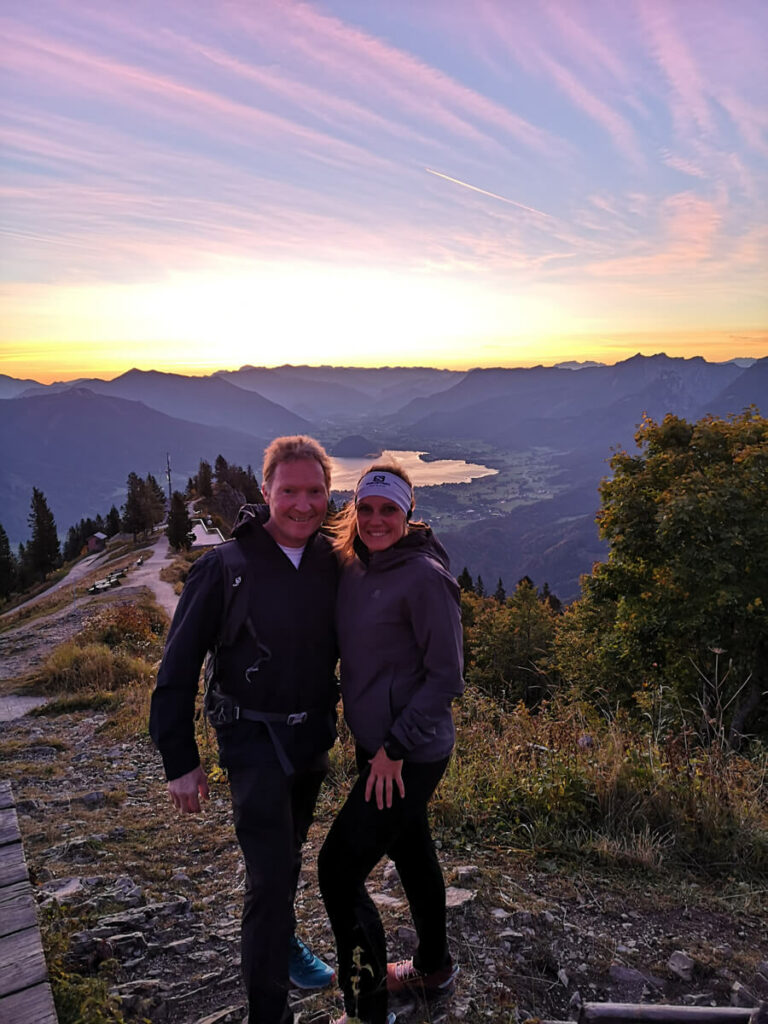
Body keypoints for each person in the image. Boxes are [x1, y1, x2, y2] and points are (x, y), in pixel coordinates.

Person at [149, 435, 339, 1024]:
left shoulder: (334, 560)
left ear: (329, 493)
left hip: (311, 738)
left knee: (287, 857)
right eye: (290, 491)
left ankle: (281, 942)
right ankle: (269, 1012)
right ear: (266, 492)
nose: (303, 504)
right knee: (267, 875)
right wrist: (180, 760)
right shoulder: (224, 567)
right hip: (253, 742)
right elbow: (176, 669)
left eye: (315, 491)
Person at [318, 462, 464, 1024]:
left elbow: (446, 678)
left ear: (407, 513)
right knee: (409, 847)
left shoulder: (425, 577)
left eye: (390, 510)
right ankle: (434, 966)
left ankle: (369, 1008)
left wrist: (394, 750)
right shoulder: (356, 564)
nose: (377, 519)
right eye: (368, 508)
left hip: (408, 753)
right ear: (355, 510)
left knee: (337, 869)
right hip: (378, 745)